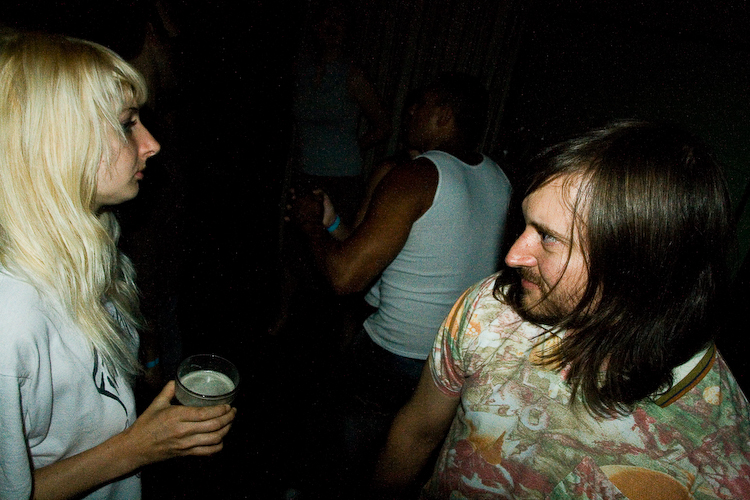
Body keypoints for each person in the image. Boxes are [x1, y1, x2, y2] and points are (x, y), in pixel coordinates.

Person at [372, 121, 750, 499]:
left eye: (548, 237)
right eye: (525, 225)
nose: (513, 256)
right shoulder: (491, 307)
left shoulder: (718, 451)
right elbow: (417, 432)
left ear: (636, 265)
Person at [0, 32, 236, 500]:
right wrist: (137, 448)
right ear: (58, 142)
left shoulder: (90, 240)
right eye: (128, 124)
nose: (152, 143)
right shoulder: (11, 318)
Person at [292, 73, 513, 491]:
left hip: (393, 354)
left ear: (444, 115)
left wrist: (309, 225)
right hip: (452, 360)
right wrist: (333, 223)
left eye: (420, 105)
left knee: (347, 456)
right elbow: (410, 258)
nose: (409, 111)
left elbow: (344, 277)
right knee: (402, 463)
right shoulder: (498, 178)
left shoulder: (417, 175)